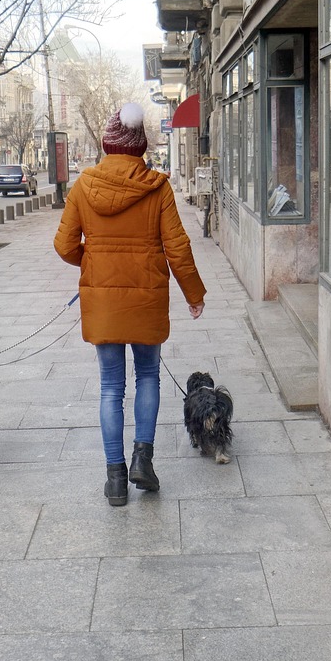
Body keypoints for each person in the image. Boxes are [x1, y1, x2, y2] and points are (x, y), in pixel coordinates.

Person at [54, 103, 207, 506]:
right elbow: (178, 246)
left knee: (110, 387)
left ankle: (116, 478)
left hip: (103, 302)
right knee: (148, 377)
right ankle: (143, 458)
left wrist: (93, 257)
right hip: (146, 298)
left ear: (107, 143)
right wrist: (194, 293)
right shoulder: (158, 187)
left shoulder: (84, 186)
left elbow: (64, 245)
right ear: (140, 146)